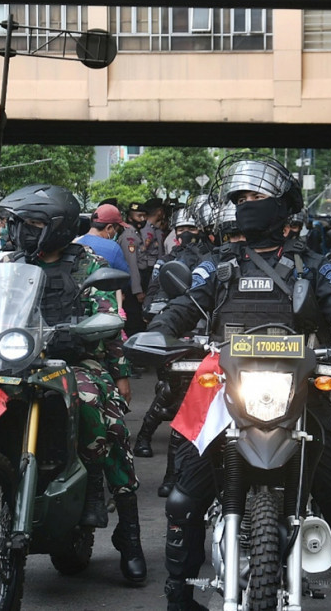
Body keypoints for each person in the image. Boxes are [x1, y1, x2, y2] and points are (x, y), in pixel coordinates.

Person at [148, 155, 331, 611]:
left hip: (300, 394)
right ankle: (177, 597)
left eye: (255, 198)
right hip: (225, 395)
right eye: (240, 199)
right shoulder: (217, 265)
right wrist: (158, 332)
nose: (246, 206)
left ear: (283, 208)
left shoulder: (315, 266)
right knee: (184, 496)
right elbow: (184, 307)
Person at [0, 184, 147, 583]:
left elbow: (108, 322)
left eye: (32, 224)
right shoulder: (2, 263)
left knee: (101, 418)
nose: (22, 232)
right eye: (18, 224)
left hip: (75, 361)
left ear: (58, 227)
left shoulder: (88, 263)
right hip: (12, 364)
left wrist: (119, 372)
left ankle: (128, 533)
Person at [134, 204, 214, 497]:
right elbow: (157, 291)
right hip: (178, 335)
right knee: (172, 396)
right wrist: (157, 323)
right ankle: (164, 464)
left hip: (210, 338)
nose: (186, 235)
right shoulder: (167, 260)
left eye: (191, 229)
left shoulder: (213, 261)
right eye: (181, 230)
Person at [120, 202, 149, 336]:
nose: (142, 219)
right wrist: (137, 291)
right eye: (139, 216)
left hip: (139, 280)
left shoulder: (137, 233)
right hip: (133, 285)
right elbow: (132, 265)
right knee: (134, 320)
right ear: (130, 218)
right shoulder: (129, 237)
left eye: (144, 216)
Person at [78, 203, 131, 274]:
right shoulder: (112, 248)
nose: (116, 233)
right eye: (117, 230)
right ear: (109, 228)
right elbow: (126, 278)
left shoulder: (76, 242)